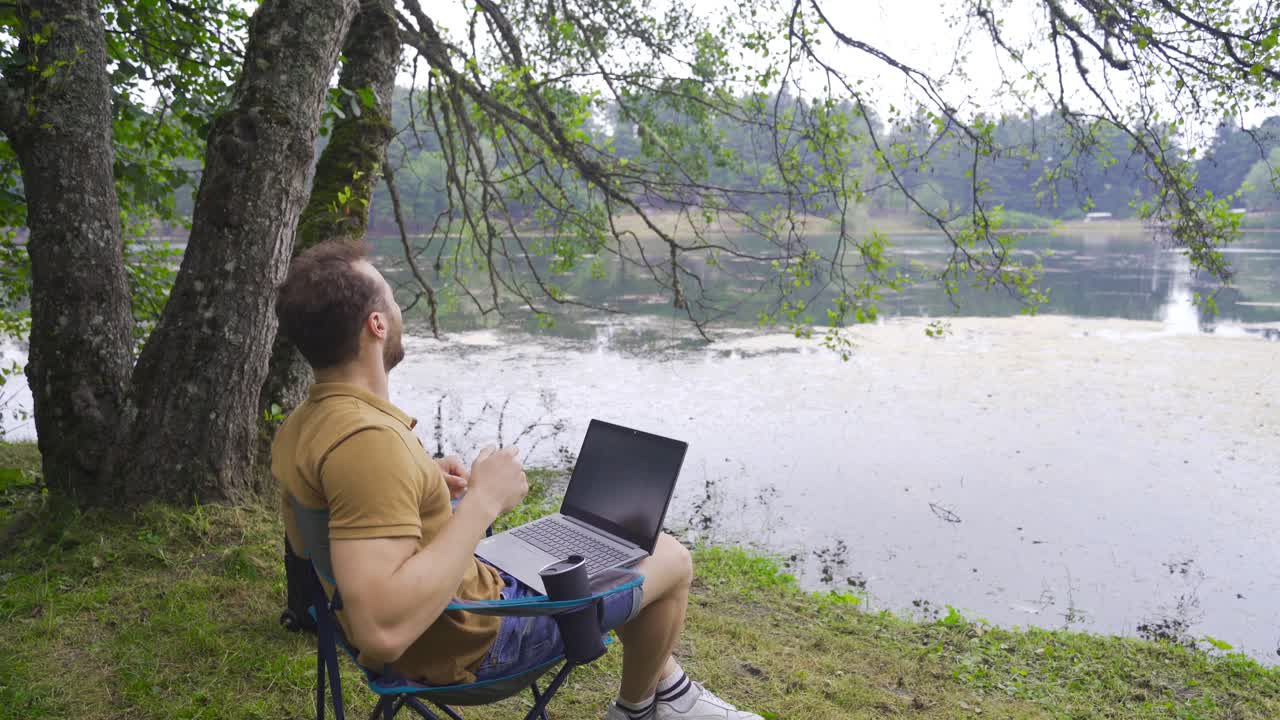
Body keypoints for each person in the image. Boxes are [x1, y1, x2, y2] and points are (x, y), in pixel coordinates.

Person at [272, 241, 762, 720]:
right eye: (393, 298)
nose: (400, 308)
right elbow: (382, 633)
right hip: (479, 642)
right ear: (376, 325)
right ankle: (637, 710)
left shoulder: (305, 425)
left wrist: (423, 484)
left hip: (447, 610)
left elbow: (316, 539)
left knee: (605, 550)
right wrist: (484, 500)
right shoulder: (370, 445)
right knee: (668, 557)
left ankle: (672, 691)